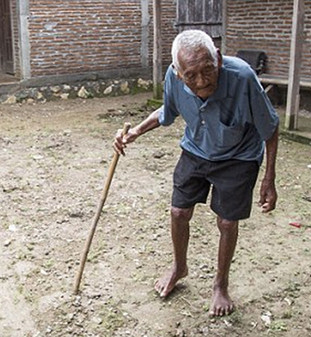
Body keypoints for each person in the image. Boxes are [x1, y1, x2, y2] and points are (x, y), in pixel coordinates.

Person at [113, 30, 279, 317]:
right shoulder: (173, 76)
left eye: (208, 70)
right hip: (196, 149)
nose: (202, 81)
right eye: (191, 75)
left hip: (238, 156)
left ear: (217, 58)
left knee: (227, 223)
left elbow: (271, 128)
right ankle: (179, 267)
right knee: (178, 212)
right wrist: (136, 132)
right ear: (178, 74)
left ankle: (220, 285)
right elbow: (167, 111)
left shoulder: (242, 77)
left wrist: (269, 178)